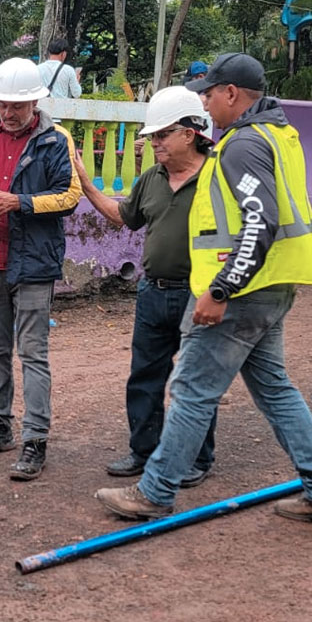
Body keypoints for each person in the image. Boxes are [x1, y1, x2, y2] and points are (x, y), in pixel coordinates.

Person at [94, 53, 312, 530]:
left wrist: (221, 288)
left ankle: (154, 493)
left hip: (242, 291)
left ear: (231, 93)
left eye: (209, 95)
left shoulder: (243, 145)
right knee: (275, 390)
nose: (206, 105)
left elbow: (259, 221)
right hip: (274, 285)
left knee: (192, 391)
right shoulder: (279, 136)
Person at [72, 86, 217, 487]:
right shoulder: (152, 178)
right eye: (152, 136)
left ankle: (197, 458)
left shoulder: (218, 176)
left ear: (189, 133)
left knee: (195, 381)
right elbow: (124, 217)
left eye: (161, 135)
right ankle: (144, 449)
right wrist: (86, 183)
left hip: (199, 294)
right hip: (153, 291)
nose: (153, 143)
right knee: (145, 376)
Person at [0, 58, 82, 480]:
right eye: (3, 105)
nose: (8, 113)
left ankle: (35, 439)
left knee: (34, 355)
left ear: (35, 103)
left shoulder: (56, 140)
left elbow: (69, 196)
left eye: (17, 106)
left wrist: (19, 202)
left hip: (33, 265)